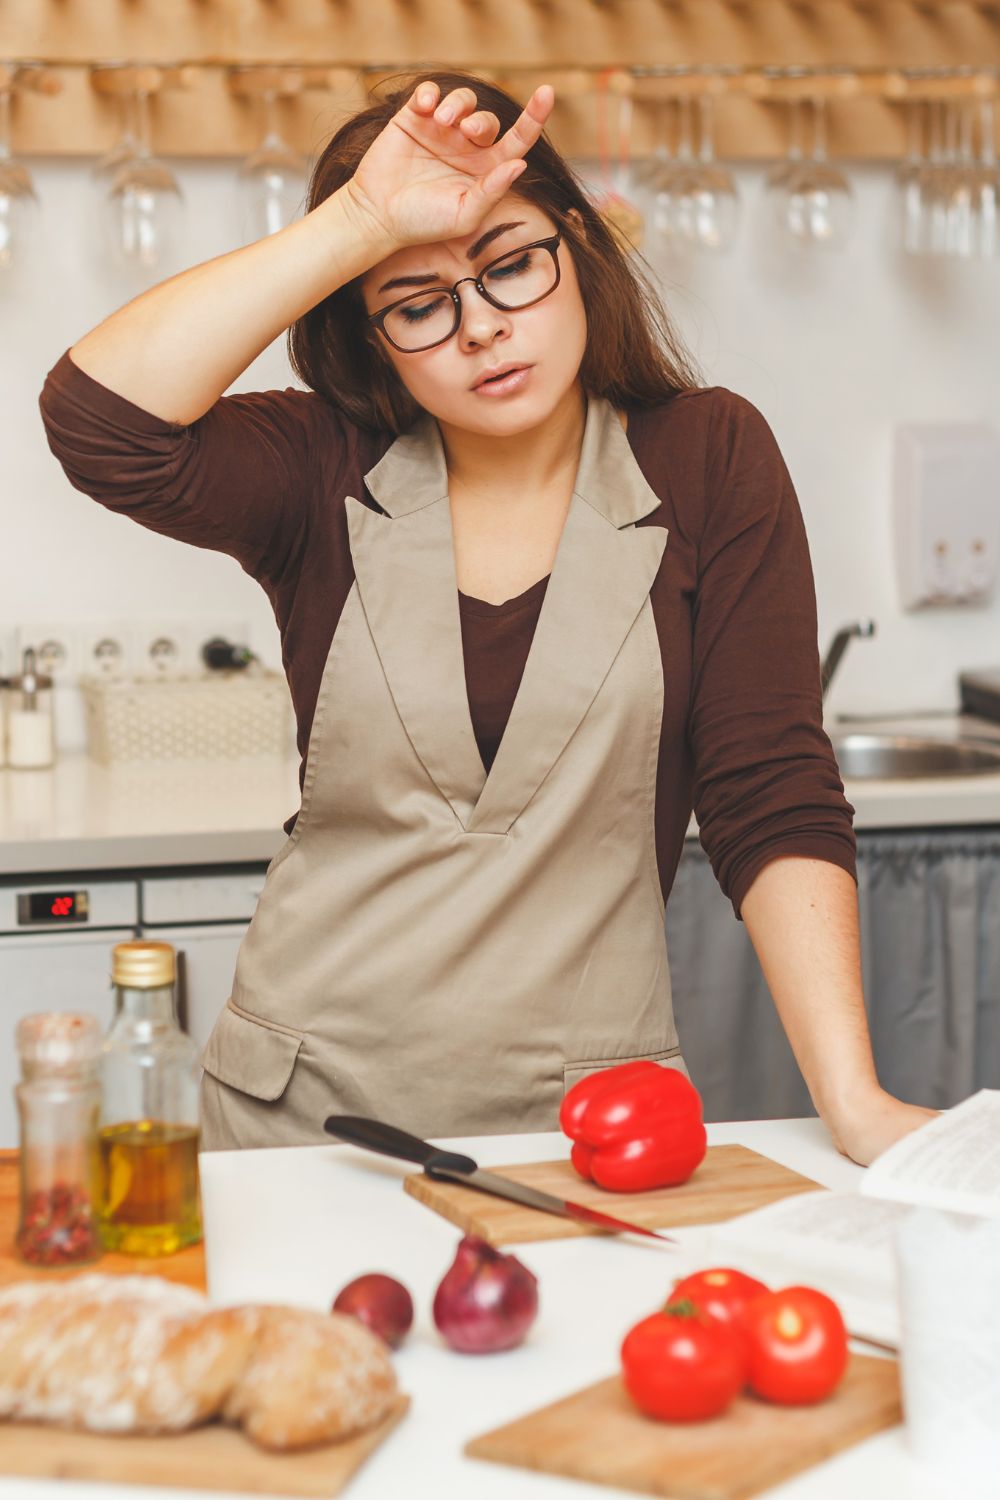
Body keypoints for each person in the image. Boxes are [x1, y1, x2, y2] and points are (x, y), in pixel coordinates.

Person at [39, 70, 937, 1164]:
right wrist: (360, 224)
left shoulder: (706, 457)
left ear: (578, 247)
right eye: (418, 305)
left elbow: (770, 789)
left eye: (511, 266)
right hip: (300, 1118)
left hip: (588, 1125)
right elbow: (99, 423)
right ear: (373, 336)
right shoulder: (323, 466)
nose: (481, 329)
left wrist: (853, 1101)